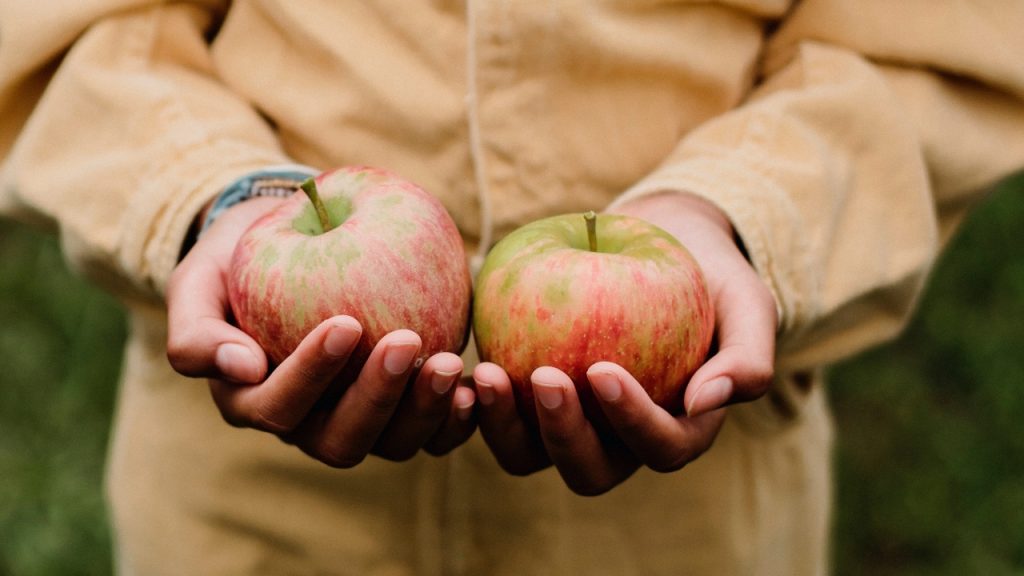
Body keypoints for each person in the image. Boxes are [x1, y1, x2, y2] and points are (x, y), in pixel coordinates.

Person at [2, 1, 1022, 574]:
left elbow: (927, 52)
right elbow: (67, 31)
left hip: (683, 523)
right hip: (251, 509)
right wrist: (216, 202)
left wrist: (737, 213)